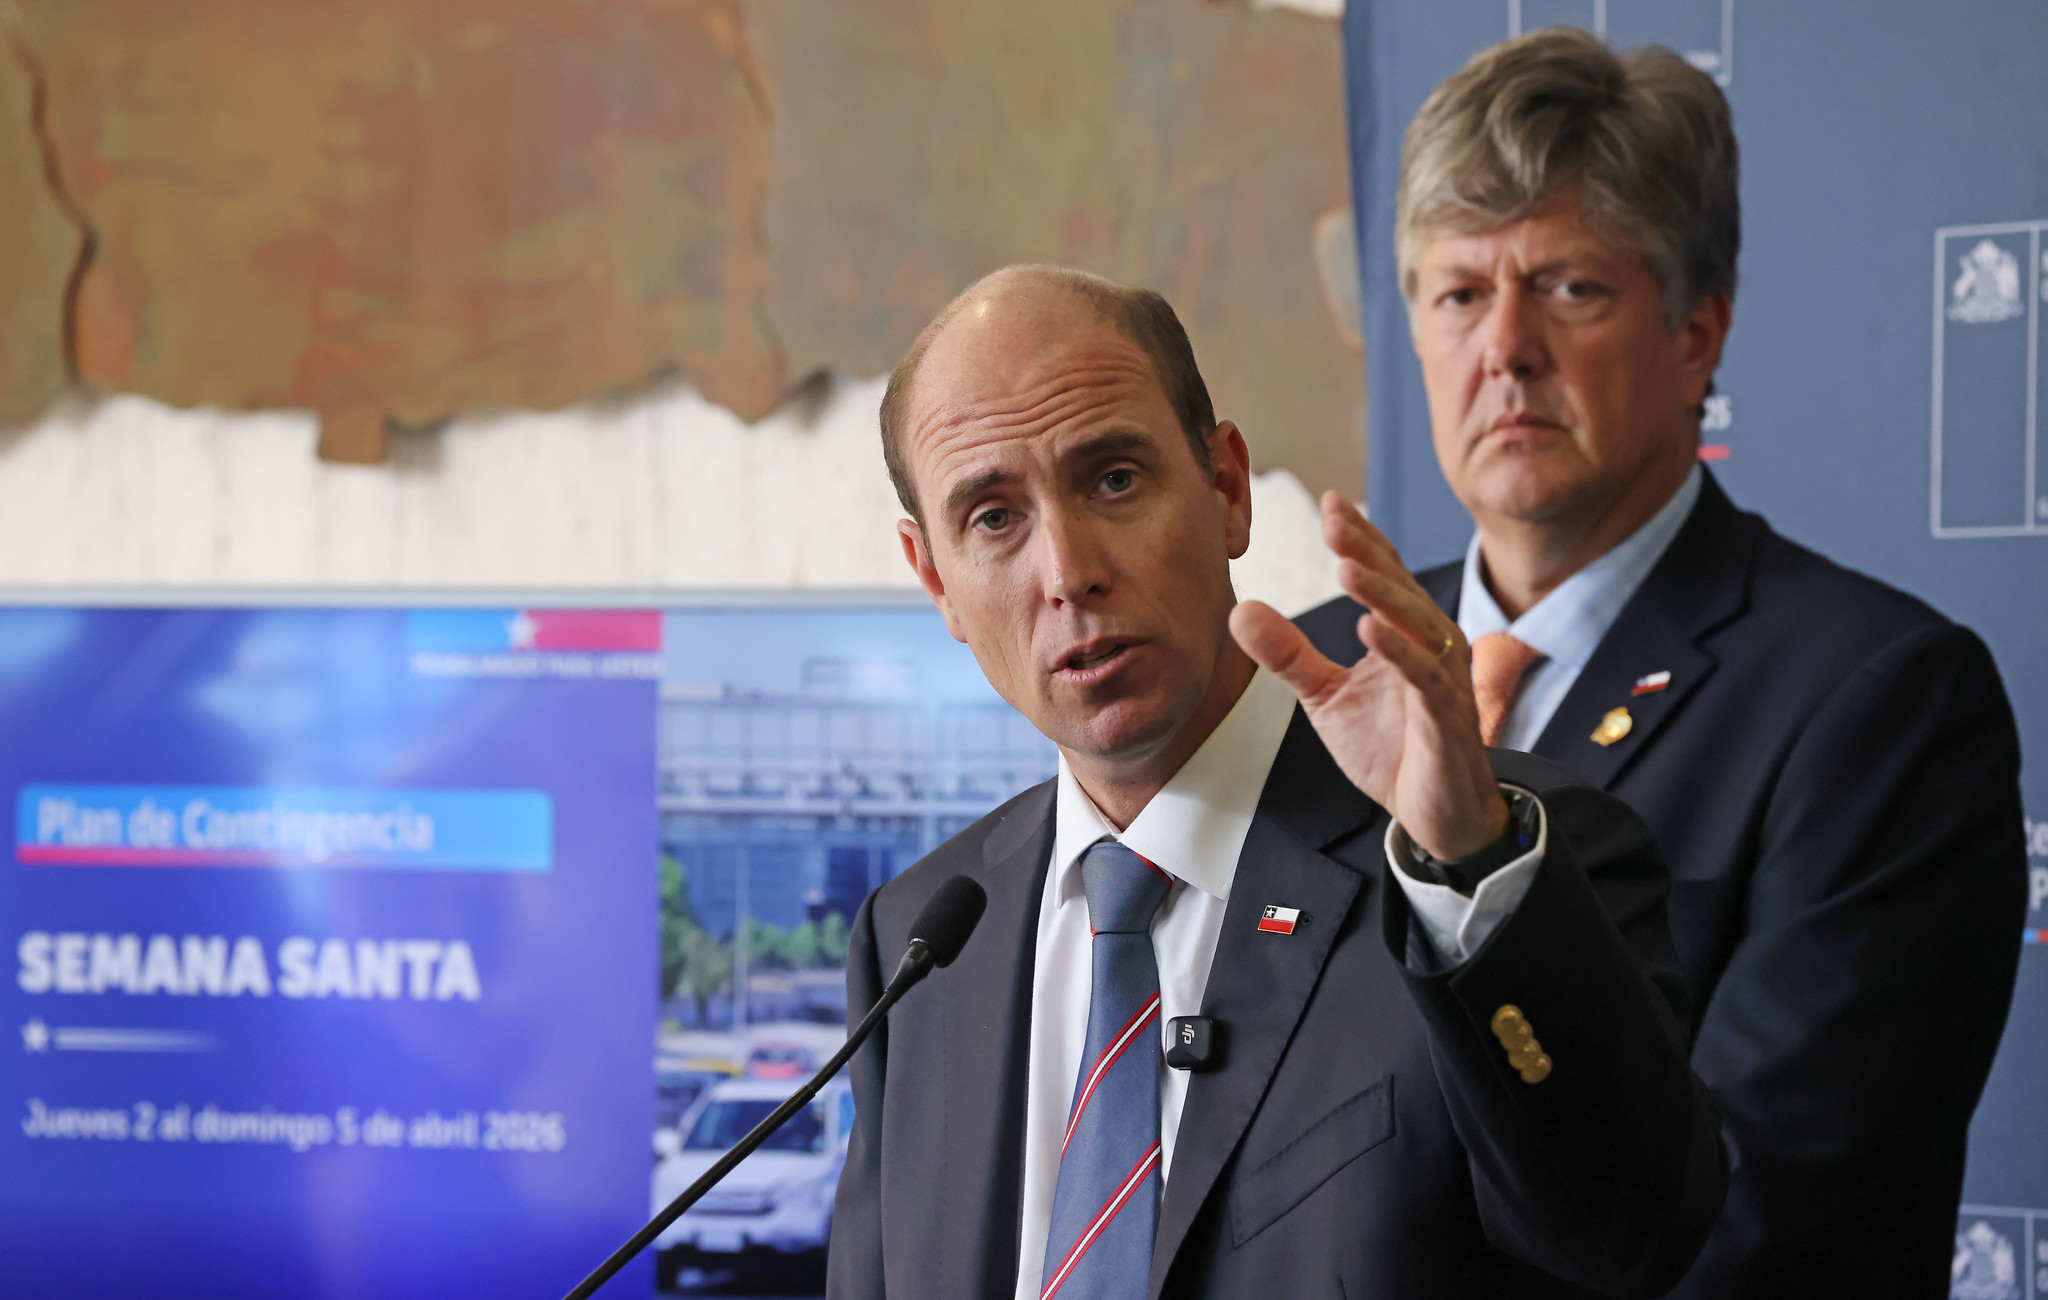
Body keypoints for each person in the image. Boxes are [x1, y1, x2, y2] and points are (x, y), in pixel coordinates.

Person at [827, 263, 1725, 1300]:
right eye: (992, 518)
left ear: (1226, 489)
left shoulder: (1489, 864)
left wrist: (1463, 854)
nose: (1067, 571)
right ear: (935, 579)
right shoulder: (920, 942)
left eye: (1113, 480)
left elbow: (1635, 1231)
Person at [1296, 29, 2028, 1297]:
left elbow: (1760, 1227)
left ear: (1697, 333)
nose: (1504, 346)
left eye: (1568, 287)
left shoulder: (1880, 702)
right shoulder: (1317, 667)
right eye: (1458, 294)